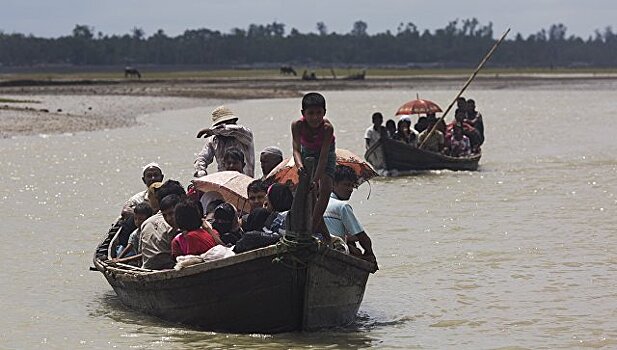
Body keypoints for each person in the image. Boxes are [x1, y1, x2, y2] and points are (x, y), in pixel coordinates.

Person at [291, 92, 334, 241]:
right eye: (311, 113)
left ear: (324, 112)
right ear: (303, 113)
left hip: (326, 152)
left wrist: (316, 179)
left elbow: (323, 158)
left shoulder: (328, 128)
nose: (315, 117)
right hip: (307, 151)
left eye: (319, 113)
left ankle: (312, 229)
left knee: (325, 189)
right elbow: (296, 149)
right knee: (308, 191)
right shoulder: (297, 125)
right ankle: (323, 234)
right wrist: (300, 166)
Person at [323, 165, 377, 267]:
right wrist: (369, 254)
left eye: (353, 186)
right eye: (346, 185)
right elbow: (363, 237)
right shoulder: (342, 206)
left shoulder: (316, 202)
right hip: (335, 252)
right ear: (333, 184)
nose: (350, 189)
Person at [194, 105, 255, 177]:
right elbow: (202, 158)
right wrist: (201, 171)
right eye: (219, 125)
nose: (221, 128)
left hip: (245, 179)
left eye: (225, 124)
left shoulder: (244, 134)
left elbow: (232, 129)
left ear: (233, 122)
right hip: (223, 180)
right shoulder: (214, 140)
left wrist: (214, 130)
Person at [140, 180, 186, 270]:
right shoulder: (176, 222)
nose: (169, 218)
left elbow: (141, 252)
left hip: (147, 269)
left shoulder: (145, 223)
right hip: (171, 267)